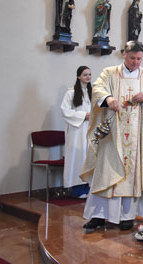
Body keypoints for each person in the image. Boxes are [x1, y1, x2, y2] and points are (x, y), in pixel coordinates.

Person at [80, 41, 143, 232]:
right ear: (124, 55)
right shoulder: (109, 73)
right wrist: (108, 98)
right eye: (132, 58)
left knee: (131, 174)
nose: (136, 62)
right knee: (106, 172)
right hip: (112, 134)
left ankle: (127, 216)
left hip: (136, 135)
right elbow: (97, 89)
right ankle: (99, 215)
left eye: (139, 59)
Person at [60, 66, 92, 198]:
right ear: (79, 76)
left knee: (89, 158)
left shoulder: (93, 92)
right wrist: (83, 115)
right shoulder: (71, 93)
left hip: (90, 129)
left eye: (89, 74)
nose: (88, 77)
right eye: (85, 75)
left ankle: (89, 188)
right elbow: (65, 111)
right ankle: (78, 190)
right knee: (78, 159)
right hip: (77, 131)